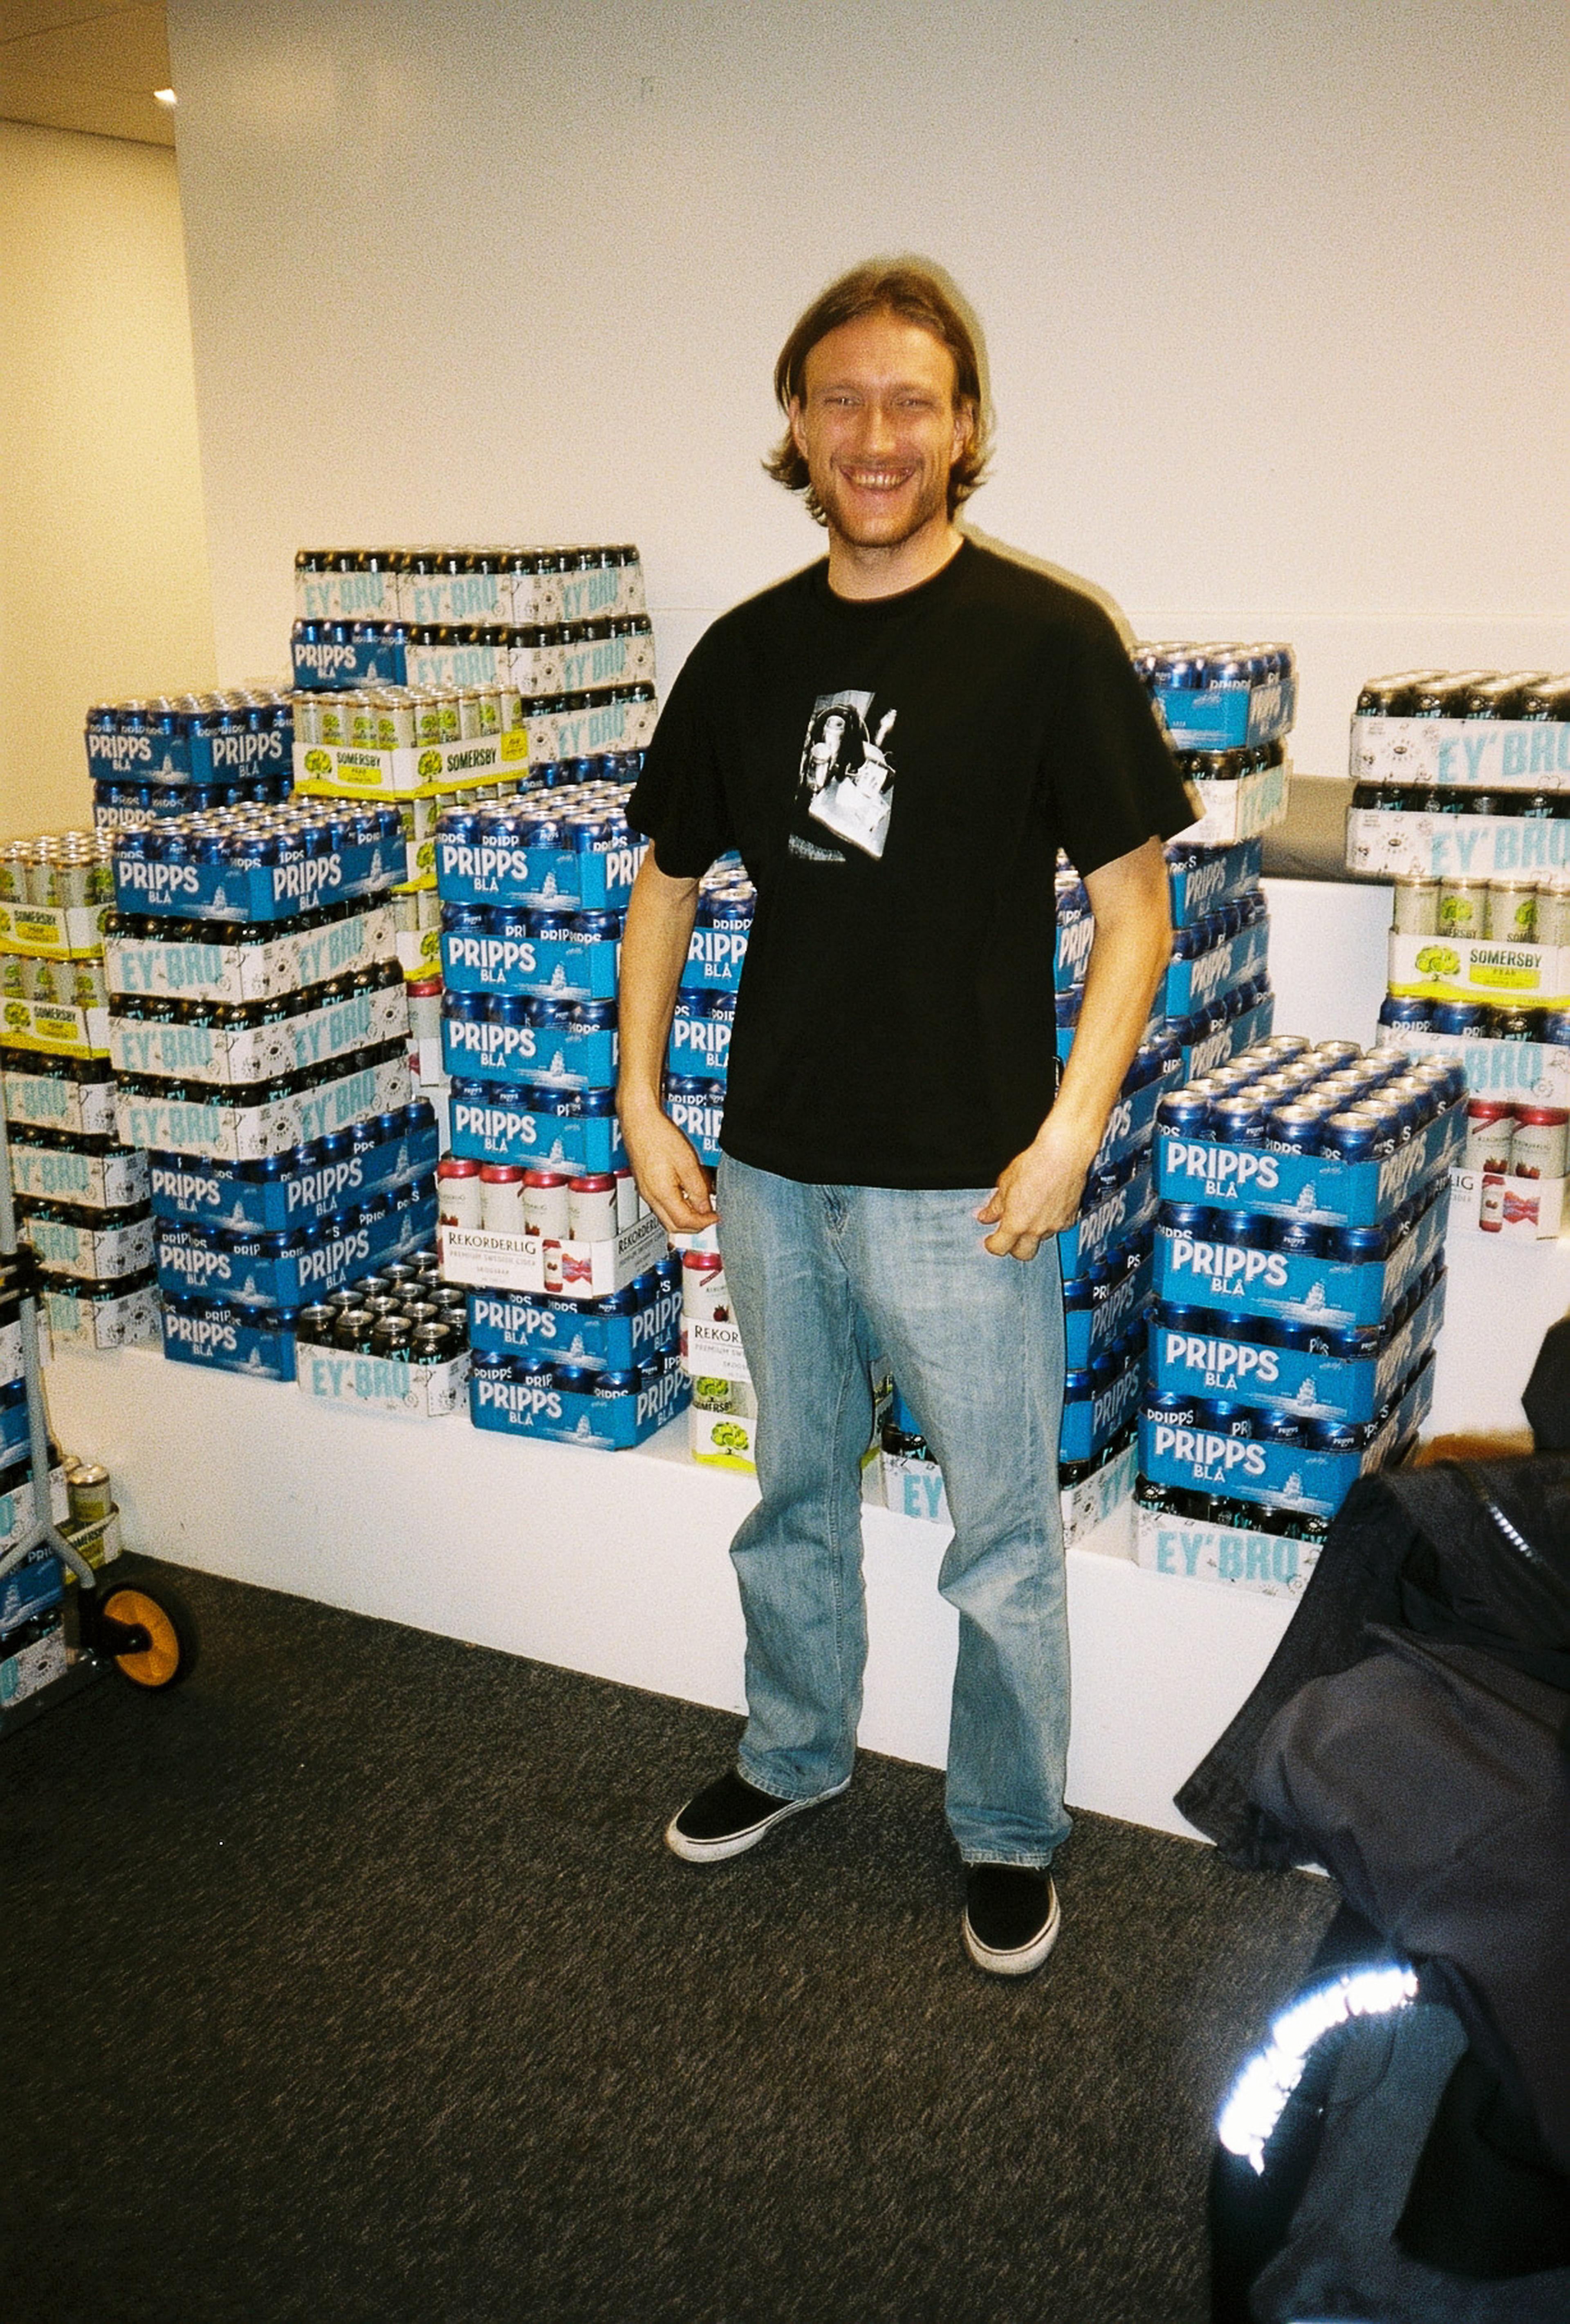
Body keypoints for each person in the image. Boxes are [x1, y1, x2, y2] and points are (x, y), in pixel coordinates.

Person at [618, 258, 1197, 1975]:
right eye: (843, 401)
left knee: (999, 1538)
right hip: (773, 1165)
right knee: (793, 1493)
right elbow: (666, 883)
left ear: (965, 427)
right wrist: (640, 1096)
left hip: (970, 1183)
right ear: (799, 428)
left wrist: (1069, 1135)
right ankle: (791, 1751)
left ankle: (1007, 1829)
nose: (877, 435)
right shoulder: (746, 652)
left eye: (912, 403)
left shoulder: (1048, 641)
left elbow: (1139, 909)